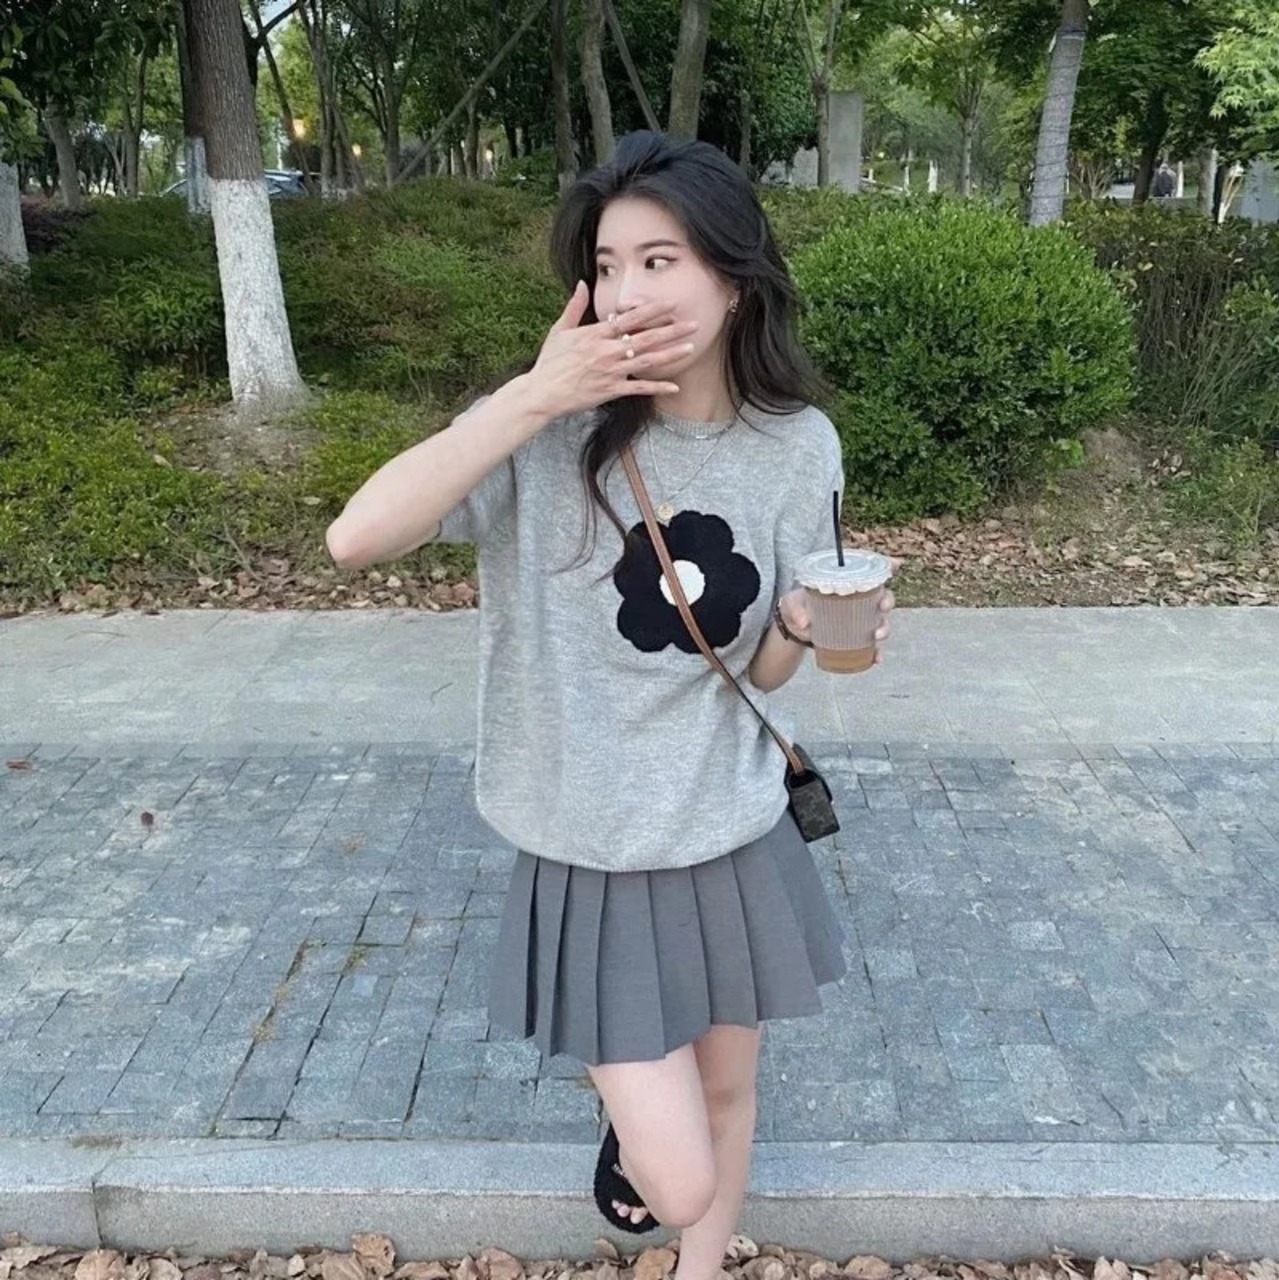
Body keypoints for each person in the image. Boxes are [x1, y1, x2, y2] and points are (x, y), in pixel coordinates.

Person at [325, 130, 896, 1272]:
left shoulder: (798, 447)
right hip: (587, 841)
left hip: (728, 825)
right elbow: (356, 538)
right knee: (676, 1174)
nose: (625, 292)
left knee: (727, 1088)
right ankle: (638, 1141)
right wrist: (531, 397)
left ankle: (700, 1269)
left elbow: (760, 675)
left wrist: (799, 628)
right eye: (606, 264)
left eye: (659, 260)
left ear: (734, 282)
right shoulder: (544, 436)